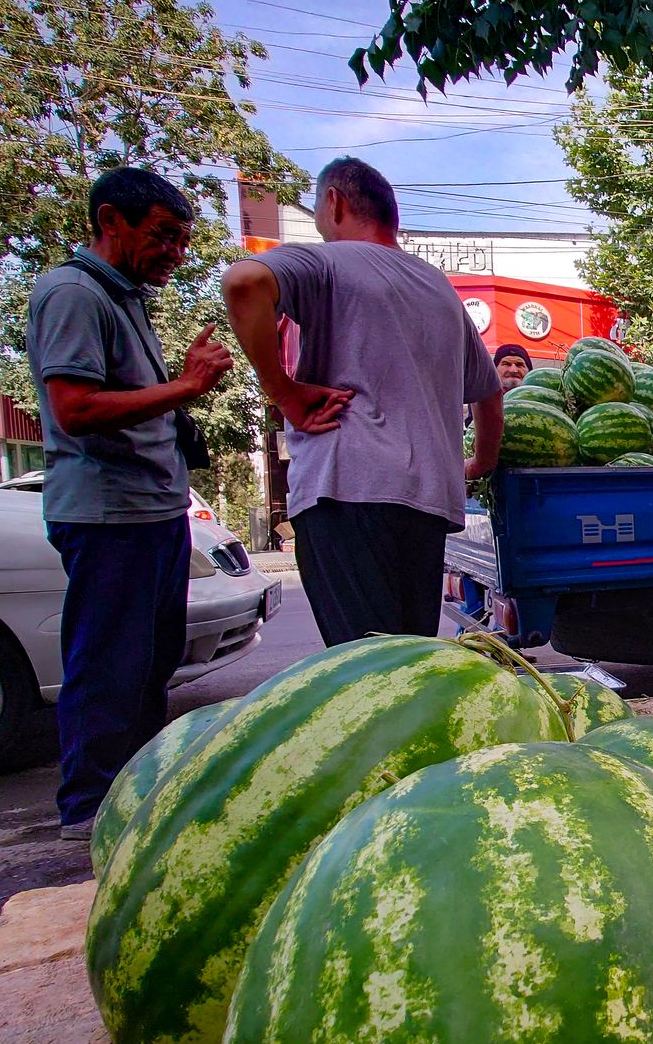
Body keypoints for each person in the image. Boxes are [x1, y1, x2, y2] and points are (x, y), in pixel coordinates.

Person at [25, 167, 232, 839]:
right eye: (163, 235)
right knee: (110, 664)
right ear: (111, 220)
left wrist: (178, 387)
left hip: (151, 512)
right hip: (109, 515)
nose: (175, 251)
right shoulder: (74, 294)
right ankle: (88, 808)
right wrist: (185, 388)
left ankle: (137, 796)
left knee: (148, 667)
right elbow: (75, 407)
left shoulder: (124, 299)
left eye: (182, 240)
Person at [222, 156, 502, 647]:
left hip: (345, 491)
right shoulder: (439, 287)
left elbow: (242, 283)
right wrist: (478, 462)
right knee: (410, 662)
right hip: (429, 502)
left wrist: (283, 391)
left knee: (364, 669)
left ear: (334, 202)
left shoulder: (325, 259)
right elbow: (489, 392)